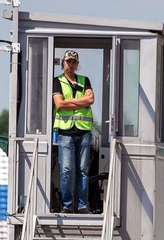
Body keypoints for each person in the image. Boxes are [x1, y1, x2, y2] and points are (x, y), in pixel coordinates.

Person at [53, 50, 94, 214]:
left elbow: (90, 100)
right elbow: (59, 105)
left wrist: (68, 100)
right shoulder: (57, 81)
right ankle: (67, 205)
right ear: (63, 62)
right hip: (65, 132)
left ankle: (83, 205)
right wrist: (81, 102)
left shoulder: (85, 80)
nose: (71, 65)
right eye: (68, 61)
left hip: (83, 132)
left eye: (74, 62)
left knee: (83, 170)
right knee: (66, 170)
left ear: (77, 64)